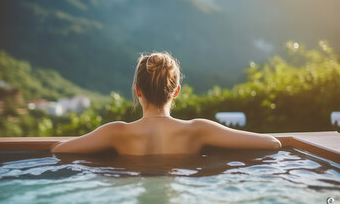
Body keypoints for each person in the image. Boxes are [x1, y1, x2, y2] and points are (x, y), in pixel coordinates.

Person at [51, 52, 281, 155]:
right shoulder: (198, 130)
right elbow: (272, 144)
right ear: (176, 92)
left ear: (137, 90)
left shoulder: (115, 132)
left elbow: (60, 150)